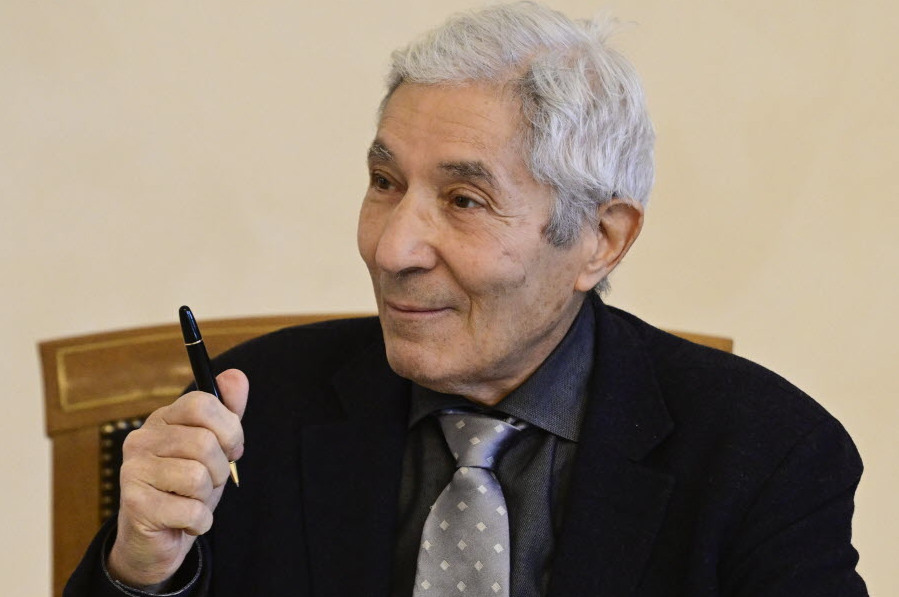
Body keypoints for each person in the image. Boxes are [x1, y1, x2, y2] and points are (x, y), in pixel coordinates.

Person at [64, 2, 867, 596]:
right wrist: (141, 568)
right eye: (385, 182)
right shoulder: (254, 410)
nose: (392, 249)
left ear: (600, 238)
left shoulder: (763, 454)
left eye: (463, 200)